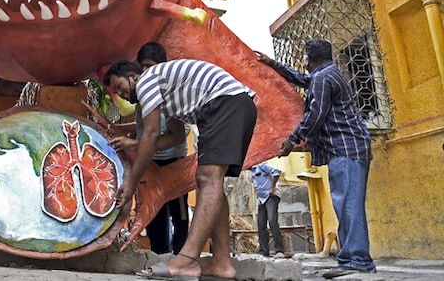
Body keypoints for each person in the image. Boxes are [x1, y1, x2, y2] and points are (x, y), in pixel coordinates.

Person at [106, 59, 257, 280]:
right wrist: (136, 143)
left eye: (119, 87)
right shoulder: (167, 94)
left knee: (207, 177)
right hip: (231, 105)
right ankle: (222, 263)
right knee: (212, 182)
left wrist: (130, 184)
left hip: (223, 103)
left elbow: (151, 133)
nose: (121, 95)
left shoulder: (147, 80)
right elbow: (174, 136)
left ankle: (187, 259)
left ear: (132, 76)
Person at [257, 40, 376, 278]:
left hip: (346, 148)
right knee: (346, 205)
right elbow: (303, 79)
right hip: (348, 148)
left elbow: (315, 115)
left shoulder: (322, 79)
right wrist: (273, 64)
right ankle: (349, 259)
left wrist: (293, 139)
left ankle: (359, 261)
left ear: (309, 59)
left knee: (349, 206)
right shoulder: (326, 74)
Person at [110, 42, 190, 255]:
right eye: (144, 67)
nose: (148, 73)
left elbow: (176, 135)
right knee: (154, 212)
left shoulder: (168, 94)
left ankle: (181, 257)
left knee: (179, 214)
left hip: (174, 162)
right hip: (151, 162)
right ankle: (159, 256)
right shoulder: (142, 100)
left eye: (151, 66)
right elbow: (143, 127)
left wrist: (135, 143)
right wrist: (117, 129)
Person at [250, 162, 286, 258]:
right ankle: (264, 251)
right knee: (261, 224)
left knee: (272, 221)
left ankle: (279, 250)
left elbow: (276, 172)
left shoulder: (261, 165)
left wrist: (272, 187)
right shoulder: (252, 170)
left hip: (270, 196)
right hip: (262, 199)